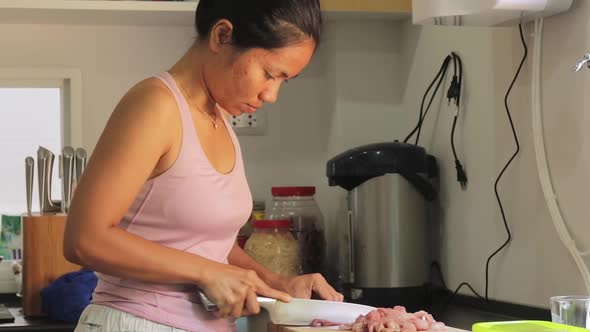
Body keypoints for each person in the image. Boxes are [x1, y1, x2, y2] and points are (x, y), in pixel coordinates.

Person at [63, 1, 343, 331]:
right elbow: (84, 239)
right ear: (222, 35)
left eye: (285, 80)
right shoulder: (156, 105)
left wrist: (279, 283)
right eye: (269, 74)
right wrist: (206, 272)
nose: (272, 95)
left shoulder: (219, 118)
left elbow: (208, 244)